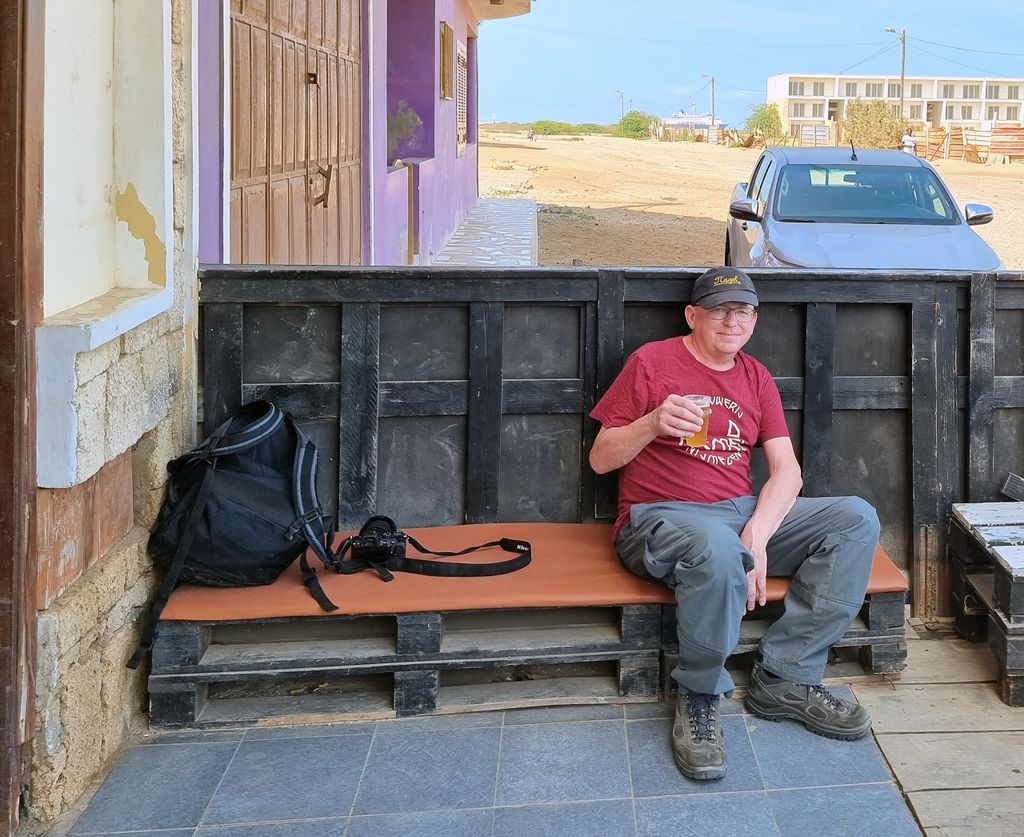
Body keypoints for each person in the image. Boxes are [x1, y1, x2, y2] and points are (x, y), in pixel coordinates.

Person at [589, 266, 880, 782]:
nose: (732, 320)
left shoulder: (755, 375)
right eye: (720, 309)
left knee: (854, 517)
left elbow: (787, 471)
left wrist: (758, 535)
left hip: (738, 512)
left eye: (743, 310)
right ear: (692, 315)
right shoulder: (652, 363)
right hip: (659, 516)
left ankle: (786, 676)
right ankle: (700, 695)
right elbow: (601, 459)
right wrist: (652, 423)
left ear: (754, 320)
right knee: (719, 550)